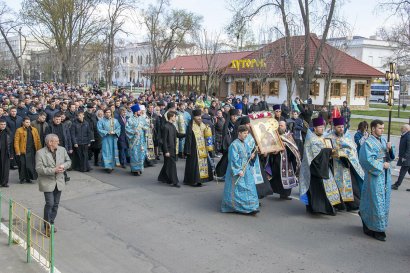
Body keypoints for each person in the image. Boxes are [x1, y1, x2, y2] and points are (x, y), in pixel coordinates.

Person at [359, 119, 395, 241]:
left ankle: (378, 225)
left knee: (383, 201)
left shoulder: (384, 140)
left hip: (385, 176)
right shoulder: (368, 143)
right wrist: (381, 165)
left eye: (383, 128)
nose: (382, 130)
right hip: (374, 176)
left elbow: (389, 157)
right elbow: (365, 160)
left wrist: (390, 150)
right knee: (375, 202)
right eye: (380, 128)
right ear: (373, 129)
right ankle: (376, 229)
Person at [299, 117, 341, 215]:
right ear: (315, 128)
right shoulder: (311, 139)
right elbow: (316, 154)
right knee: (318, 190)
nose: (322, 129)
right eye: (320, 127)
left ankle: (328, 206)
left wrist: (332, 150)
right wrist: (329, 151)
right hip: (314, 169)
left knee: (327, 188)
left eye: (323, 127)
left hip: (323, 166)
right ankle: (318, 209)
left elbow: (326, 148)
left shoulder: (323, 137)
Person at [35, 134, 71, 237]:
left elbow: (68, 161)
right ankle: (47, 227)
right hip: (47, 182)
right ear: (50, 142)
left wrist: (63, 166)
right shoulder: (40, 153)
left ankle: (51, 222)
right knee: (50, 203)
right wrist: (53, 170)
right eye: (57, 141)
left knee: (55, 204)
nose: (58, 143)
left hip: (59, 181)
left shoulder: (62, 150)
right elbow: (39, 169)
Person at [326, 117, 364, 211]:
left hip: (347, 166)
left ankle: (352, 205)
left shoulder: (347, 137)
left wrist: (346, 153)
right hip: (335, 166)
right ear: (334, 127)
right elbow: (326, 151)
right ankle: (339, 205)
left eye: (342, 127)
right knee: (338, 187)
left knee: (351, 186)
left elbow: (353, 149)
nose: (341, 129)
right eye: (339, 127)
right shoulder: (328, 138)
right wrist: (333, 152)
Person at [221, 125, 260, 215]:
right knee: (238, 189)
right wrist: (238, 170)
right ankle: (236, 207)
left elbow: (247, 154)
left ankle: (251, 207)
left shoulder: (245, 143)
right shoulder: (234, 145)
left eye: (247, 133)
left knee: (249, 187)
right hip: (237, 171)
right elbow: (232, 159)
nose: (246, 135)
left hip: (246, 170)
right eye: (244, 133)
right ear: (239, 133)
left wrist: (251, 155)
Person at [266, 121, 301, 200]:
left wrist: (286, 146)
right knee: (278, 176)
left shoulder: (289, 136)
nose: (280, 127)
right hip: (277, 159)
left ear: (285, 126)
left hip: (288, 159)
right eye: (279, 125)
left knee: (288, 175)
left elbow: (294, 147)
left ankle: (286, 194)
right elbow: (270, 147)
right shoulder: (274, 135)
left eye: (282, 125)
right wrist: (276, 150)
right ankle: (281, 193)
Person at [183, 109, 214, 187]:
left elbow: (207, 135)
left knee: (203, 164)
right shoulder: (191, 126)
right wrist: (187, 150)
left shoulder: (203, 124)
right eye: (197, 116)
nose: (199, 118)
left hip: (202, 148)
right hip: (194, 149)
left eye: (200, 116)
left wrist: (208, 129)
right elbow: (188, 139)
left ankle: (201, 180)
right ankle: (193, 181)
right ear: (194, 117)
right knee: (194, 165)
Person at [158, 111, 185, 187]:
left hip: (173, 148)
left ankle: (162, 177)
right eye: (174, 116)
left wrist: (186, 134)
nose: (175, 118)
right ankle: (174, 181)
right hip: (168, 150)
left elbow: (178, 135)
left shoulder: (173, 126)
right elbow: (164, 140)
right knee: (172, 165)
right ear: (171, 117)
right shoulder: (166, 127)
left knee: (167, 164)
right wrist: (166, 151)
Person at [14, 117, 42, 183]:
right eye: (26, 122)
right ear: (23, 122)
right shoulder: (19, 130)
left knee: (30, 165)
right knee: (22, 165)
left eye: (29, 122)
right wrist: (17, 151)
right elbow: (16, 141)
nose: (28, 123)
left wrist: (39, 149)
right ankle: (22, 178)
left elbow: (38, 140)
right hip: (23, 150)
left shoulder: (34, 129)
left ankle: (28, 178)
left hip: (32, 150)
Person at [126, 104, 149, 176]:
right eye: (139, 110)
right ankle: (134, 169)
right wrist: (134, 132)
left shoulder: (142, 118)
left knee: (141, 154)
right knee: (134, 155)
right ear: (136, 111)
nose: (140, 111)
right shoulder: (130, 119)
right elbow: (127, 129)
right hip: (134, 140)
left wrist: (144, 127)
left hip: (141, 140)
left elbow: (146, 126)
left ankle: (140, 168)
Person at [215, 109, 238, 178]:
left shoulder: (237, 124)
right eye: (233, 116)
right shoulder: (227, 124)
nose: (235, 117)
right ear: (230, 116)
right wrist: (230, 144)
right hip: (229, 145)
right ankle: (221, 173)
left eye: (236, 116)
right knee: (226, 160)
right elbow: (226, 135)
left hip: (236, 144)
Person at [97, 108, 121, 173]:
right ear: (104, 113)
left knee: (112, 152)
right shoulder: (101, 121)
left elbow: (118, 127)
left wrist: (115, 132)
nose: (108, 113)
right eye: (106, 112)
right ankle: (107, 166)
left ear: (111, 113)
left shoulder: (115, 120)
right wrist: (107, 132)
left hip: (113, 138)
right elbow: (99, 129)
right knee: (106, 152)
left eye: (109, 112)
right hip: (105, 138)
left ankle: (112, 165)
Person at [391, 124, 410, 190]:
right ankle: (397, 185)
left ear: (406, 129)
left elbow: (408, 148)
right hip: (407, 158)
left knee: (402, 172)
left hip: (407, 158)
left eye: (402, 128)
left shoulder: (408, 136)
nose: (401, 129)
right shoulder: (406, 135)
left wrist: (405, 157)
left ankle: (396, 185)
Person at [0, 119, 12, 187]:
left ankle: (4, 182)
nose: (3, 126)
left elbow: (11, 143)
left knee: (5, 169)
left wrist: (11, 154)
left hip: (6, 152)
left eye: (4, 124)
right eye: (1, 124)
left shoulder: (8, 132)